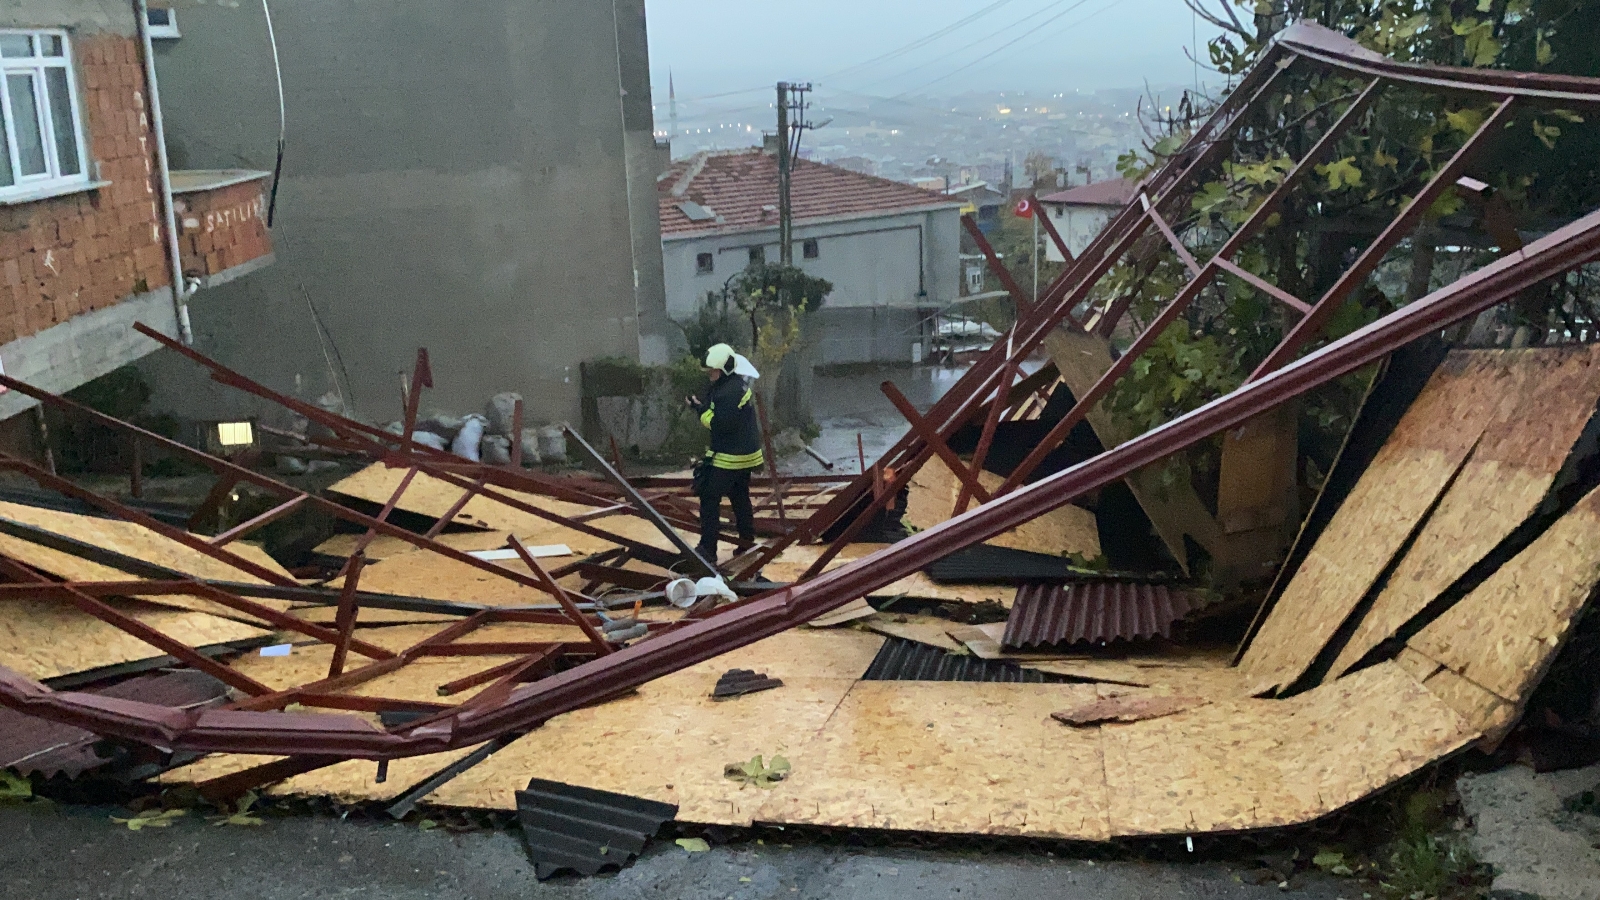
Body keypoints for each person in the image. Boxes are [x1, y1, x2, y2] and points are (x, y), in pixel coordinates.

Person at [685, 343, 763, 563]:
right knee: (740, 496)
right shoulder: (734, 385)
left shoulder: (728, 392)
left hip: (730, 456)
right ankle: (746, 542)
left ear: (724, 369)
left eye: (713, 371)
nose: (710, 374)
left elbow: (719, 424)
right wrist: (700, 406)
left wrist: (700, 411)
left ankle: (707, 550)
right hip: (745, 454)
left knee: (709, 497)